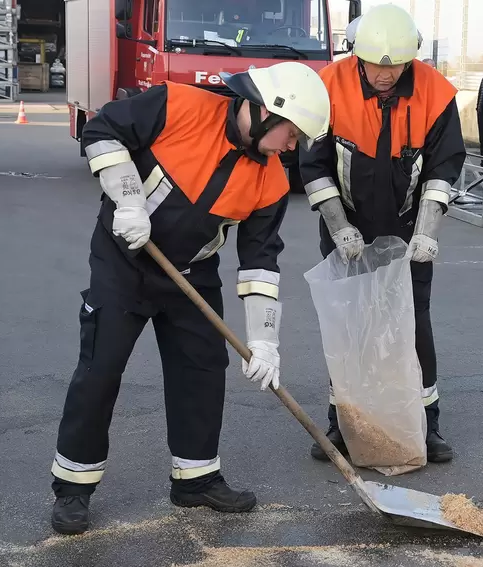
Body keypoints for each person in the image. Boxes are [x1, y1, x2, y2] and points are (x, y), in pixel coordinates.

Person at [48, 62, 331, 536]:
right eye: (292, 133)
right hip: (125, 258)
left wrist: (265, 341)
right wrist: (128, 199)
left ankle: (195, 477)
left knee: (202, 368)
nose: (292, 146)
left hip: (191, 273)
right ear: (265, 111)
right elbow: (102, 128)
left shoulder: (272, 180)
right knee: (101, 368)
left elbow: (260, 260)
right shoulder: (178, 104)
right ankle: (74, 486)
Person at [298, 4, 466, 463]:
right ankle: (342, 425)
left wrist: (428, 230)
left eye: (395, 67)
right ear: (357, 56)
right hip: (346, 221)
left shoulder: (434, 92)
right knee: (350, 325)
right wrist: (339, 227)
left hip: (409, 225)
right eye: (375, 66)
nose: (385, 75)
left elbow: (443, 165)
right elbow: (312, 166)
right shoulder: (329, 85)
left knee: (414, 324)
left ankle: (426, 427)